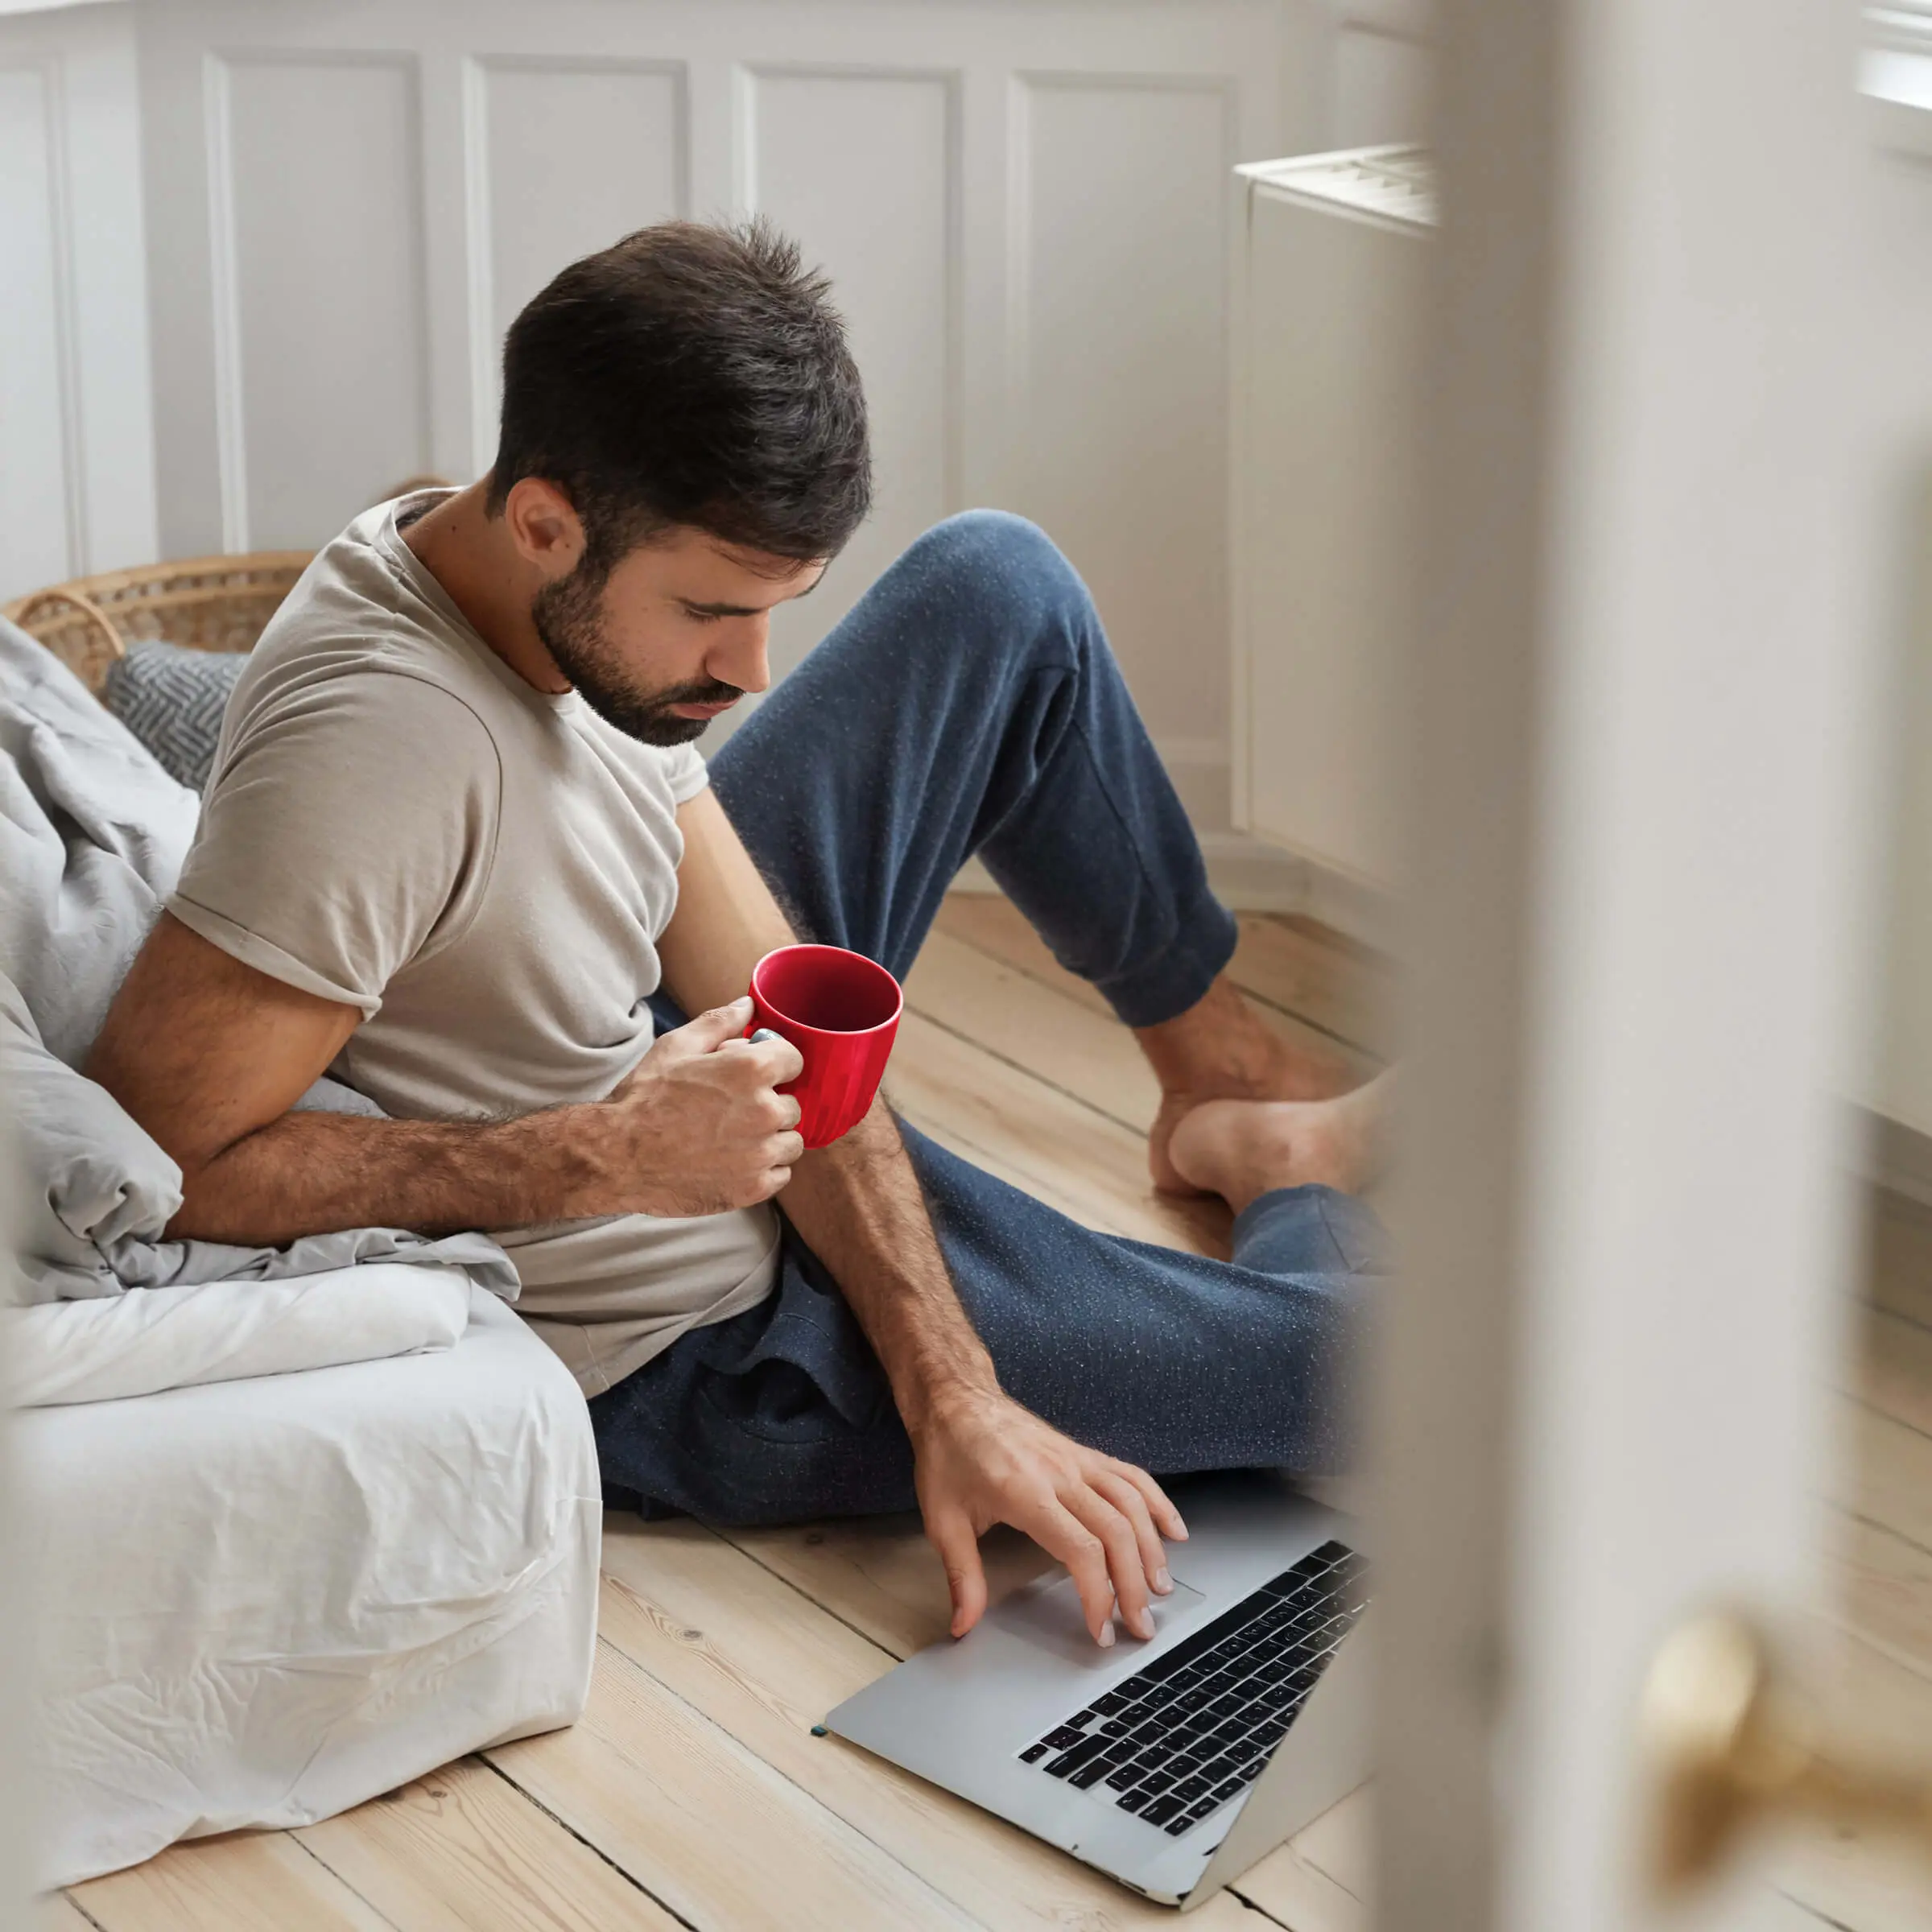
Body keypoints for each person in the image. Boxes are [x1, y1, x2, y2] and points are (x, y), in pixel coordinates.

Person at [88, 217, 1390, 1653]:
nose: (755, 670)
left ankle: (1220, 1077)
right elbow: (164, 1158)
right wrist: (616, 1153)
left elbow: (778, 1009)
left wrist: (955, 1382)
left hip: (665, 1068)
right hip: (704, 1342)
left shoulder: (545, 604)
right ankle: (1278, 1173)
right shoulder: (381, 756)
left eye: (775, 612)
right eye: (715, 610)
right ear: (543, 520)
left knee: (993, 587)